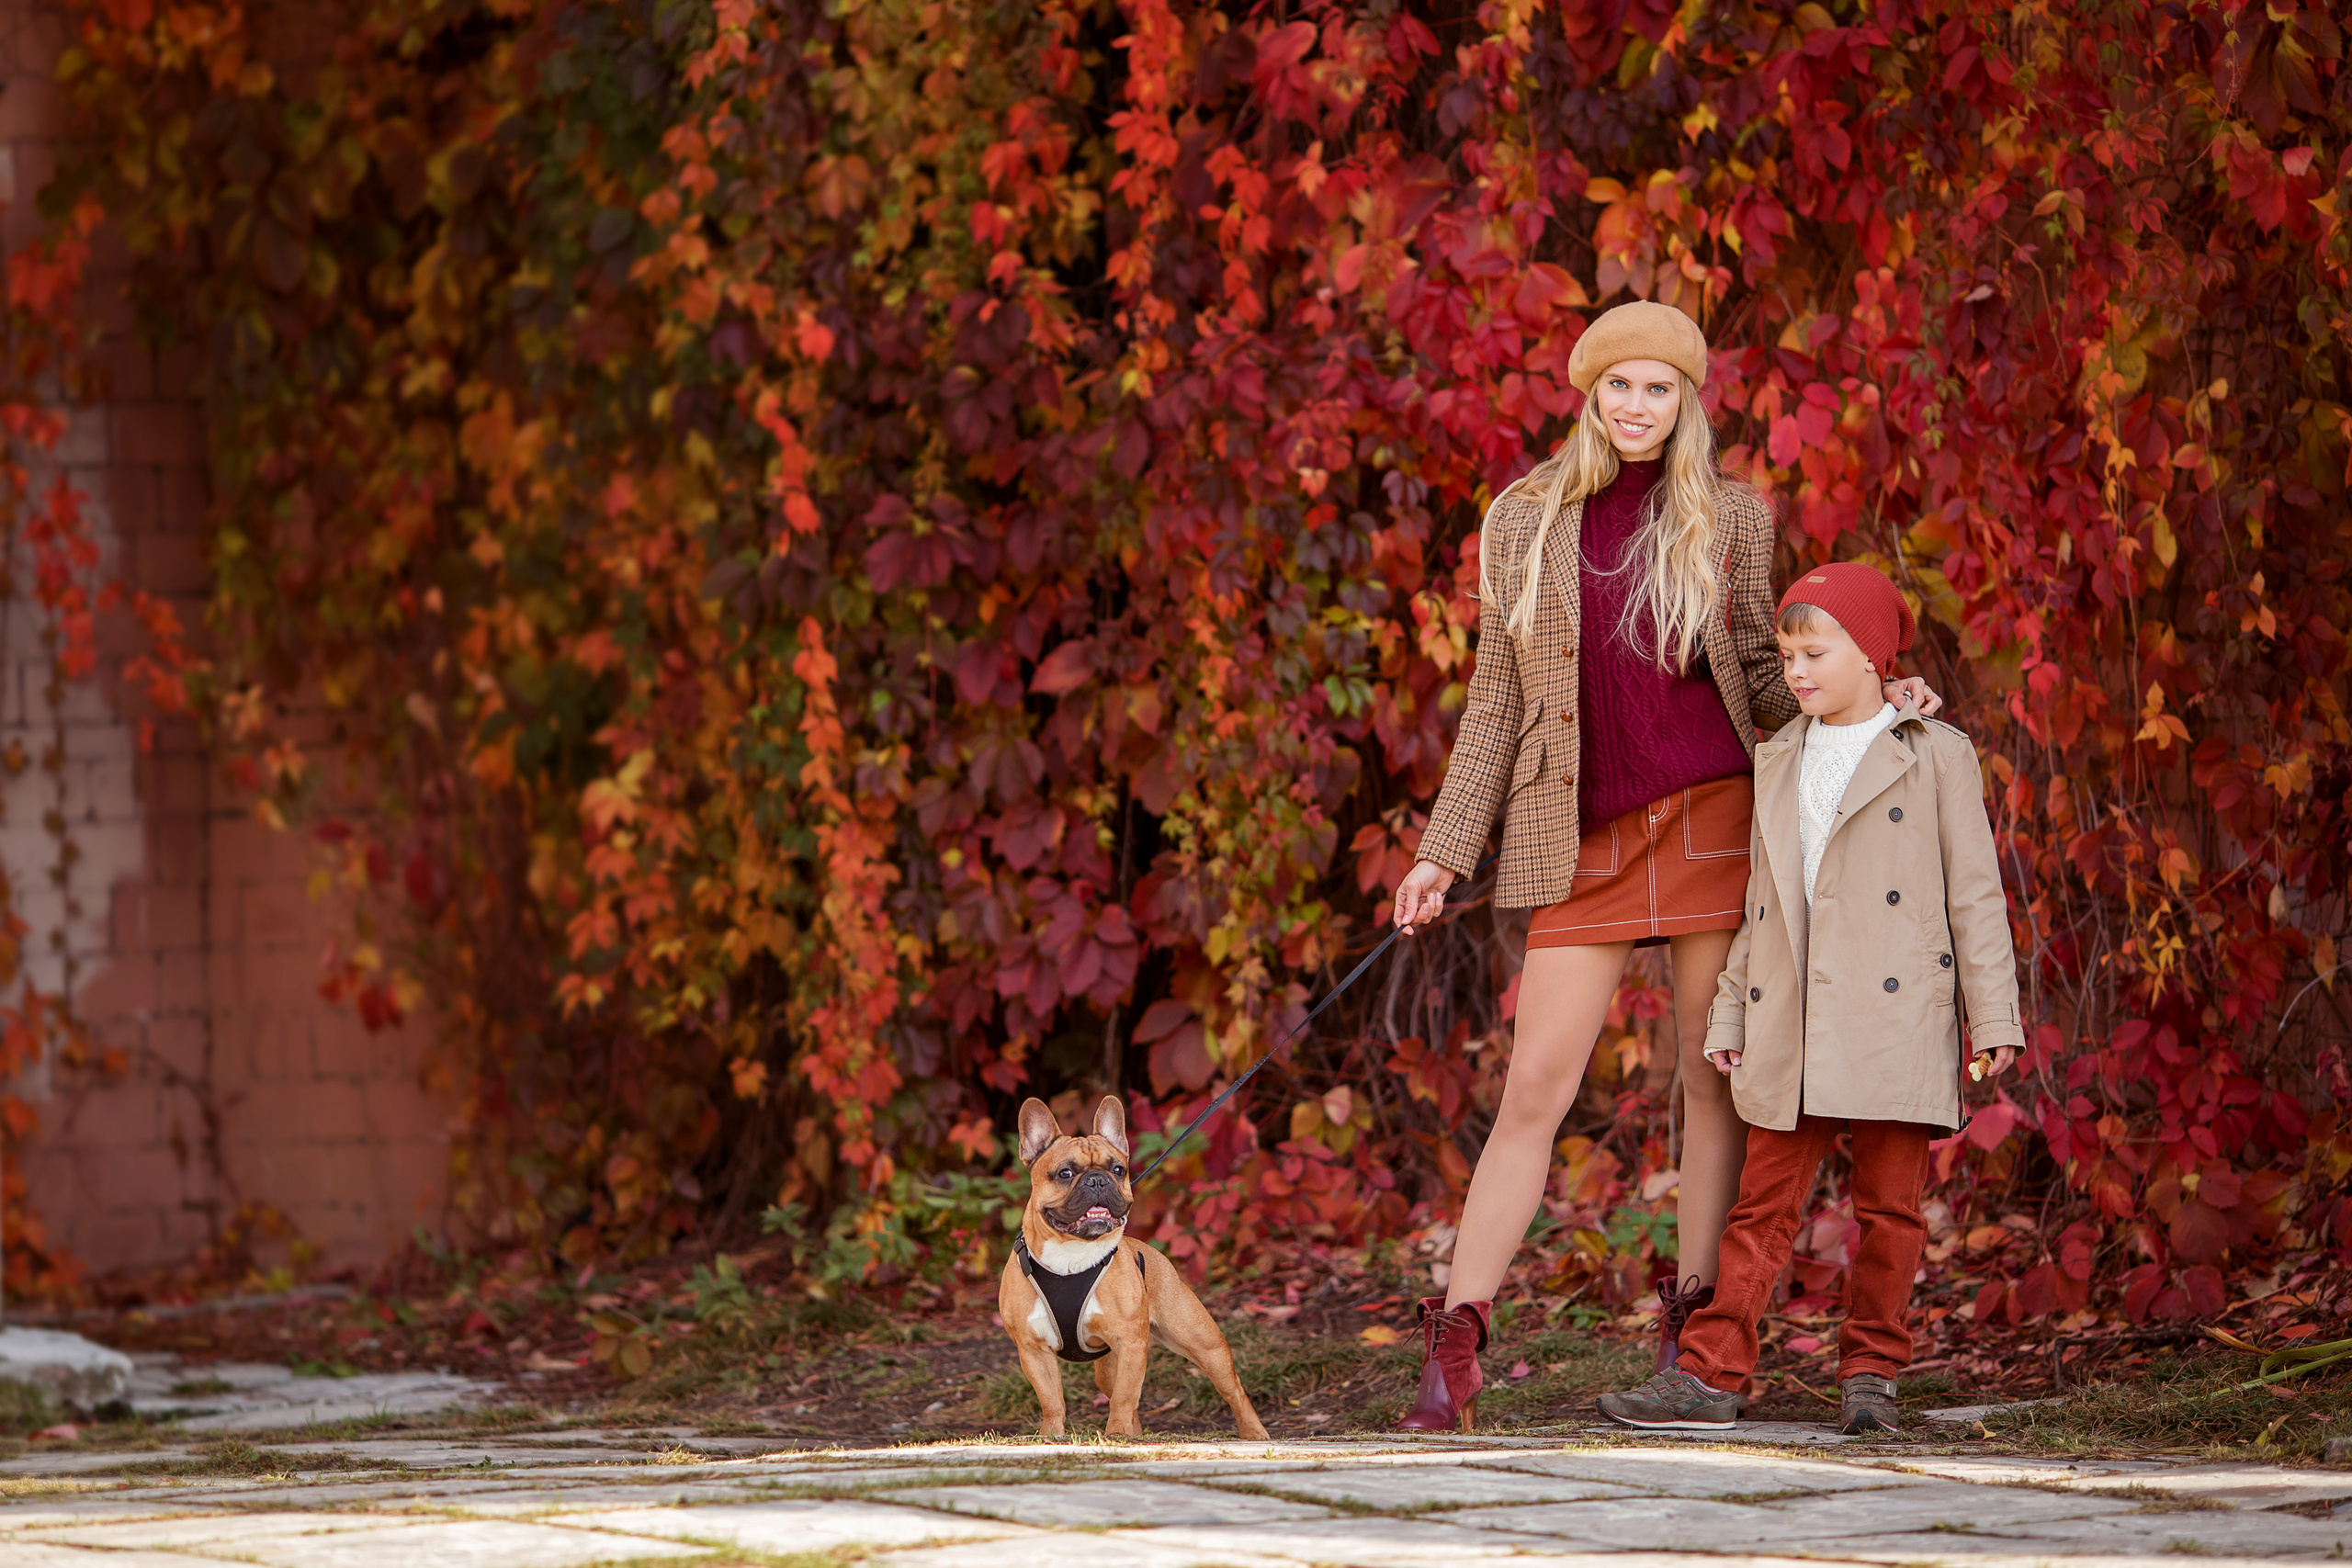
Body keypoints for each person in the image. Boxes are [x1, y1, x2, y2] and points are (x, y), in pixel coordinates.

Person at [1391, 302, 1940, 1433]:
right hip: (1577, 837)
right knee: (1534, 1089)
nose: (1637, 407)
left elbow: (1765, 662)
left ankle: (1694, 1345)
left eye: (1660, 388)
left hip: (1711, 815)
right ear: (1587, 395)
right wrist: (1442, 854)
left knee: (1710, 1079)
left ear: (1689, 399)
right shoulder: (1524, 519)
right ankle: (1454, 1345)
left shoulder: (1731, 514)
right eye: (1617, 387)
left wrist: (1876, 700)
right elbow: (1497, 698)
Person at [1594, 561, 2023, 1436]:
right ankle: (1711, 1377)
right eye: (1788, 653)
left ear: (1871, 654)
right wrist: (1730, 1012)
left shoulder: (1934, 752)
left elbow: (1975, 891)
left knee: (1891, 1211)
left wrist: (1996, 1012)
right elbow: (1763, 900)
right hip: (1792, 1012)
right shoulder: (1778, 755)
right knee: (1762, 1207)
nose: (1795, 671)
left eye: (1814, 652)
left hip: (1898, 1014)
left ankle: (1872, 1374)